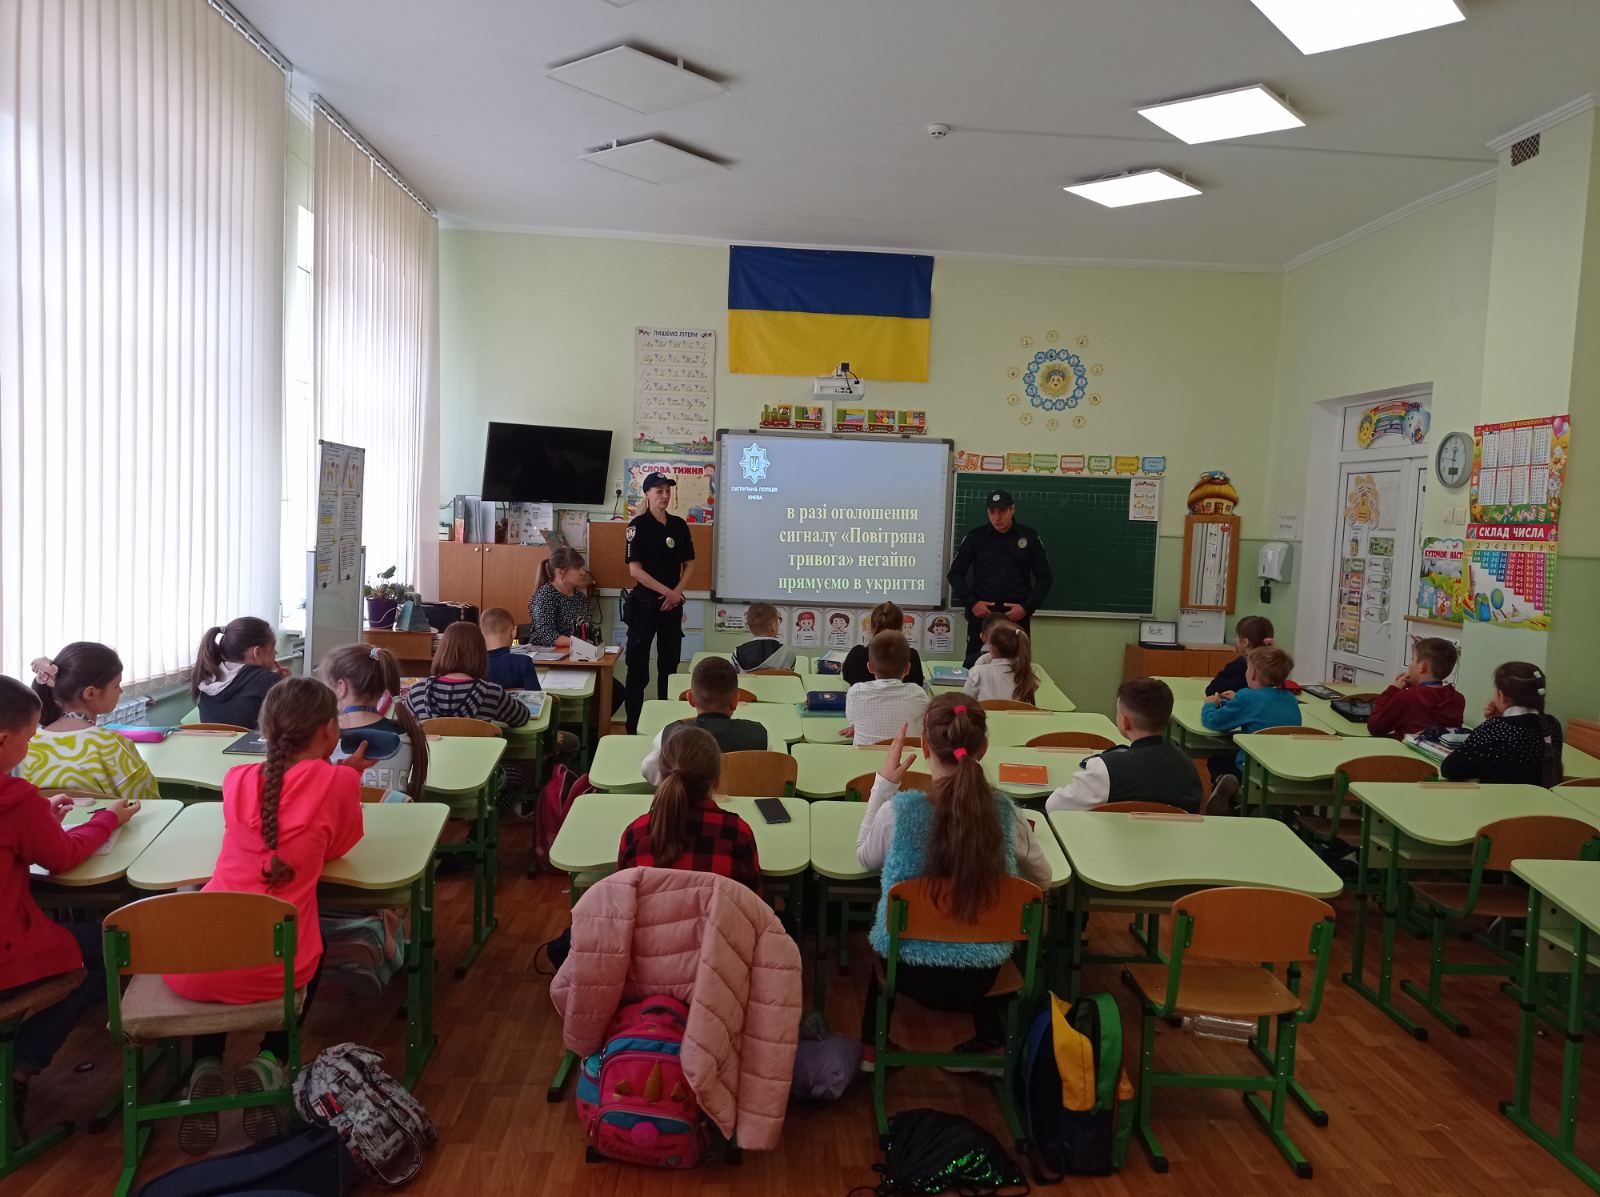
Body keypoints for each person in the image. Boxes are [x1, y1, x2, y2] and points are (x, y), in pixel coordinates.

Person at [164, 678, 365, 1151]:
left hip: (193, 963)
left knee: (224, 951)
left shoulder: (236, 779)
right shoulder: (337, 781)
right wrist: (347, 777)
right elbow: (339, 846)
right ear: (328, 731)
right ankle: (269, 1061)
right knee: (313, 946)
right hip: (277, 967)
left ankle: (205, 1065)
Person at [855, 697, 1052, 1065]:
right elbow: (1042, 879)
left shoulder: (898, 812)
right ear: (984, 748)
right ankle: (992, 1040)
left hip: (906, 969)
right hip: (982, 974)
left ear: (924, 746)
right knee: (979, 913)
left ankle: (870, 1046)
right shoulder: (1006, 814)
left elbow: (865, 856)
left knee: (891, 921)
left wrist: (883, 786)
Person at [0, 676, 138, 1138]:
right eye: (28, 737)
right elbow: (62, 857)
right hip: (5, 958)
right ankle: (20, 1069)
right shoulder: (14, 800)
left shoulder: (22, 804)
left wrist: (42, 818)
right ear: (3, 739)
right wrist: (107, 818)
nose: (31, 745)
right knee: (107, 947)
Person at [619, 726, 761, 895]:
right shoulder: (739, 835)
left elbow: (622, 899)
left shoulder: (634, 835)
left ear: (662, 776)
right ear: (716, 780)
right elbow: (754, 901)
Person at [22, 643, 160, 801]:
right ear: (91, 693)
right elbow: (147, 802)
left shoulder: (32, 744)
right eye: (116, 685)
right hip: (112, 818)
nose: (120, 691)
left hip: (49, 818)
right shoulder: (112, 745)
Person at [1046, 678, 1203, 811]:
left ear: (1125, 722)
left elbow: (1054, 806)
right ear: (1168, 720)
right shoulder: (1187, 765)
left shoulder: (1107, 769)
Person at [623, 473, 696, 733]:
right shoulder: (637, 526)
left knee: (670, 669)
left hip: (672, 608)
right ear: (647, 494)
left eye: (667, 490)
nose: (664, 495)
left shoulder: (679, 525)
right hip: (644, 606)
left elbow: (689, 565)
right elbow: (635, 570)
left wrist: (676, 593)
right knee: (637, 671)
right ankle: (633, 729)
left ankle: (668, 729)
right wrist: (669, 592)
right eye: (658, 491)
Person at [947, 488, 1053, 667]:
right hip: (983, 616)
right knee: (974, 666)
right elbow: (955, 574)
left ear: (1012, 510)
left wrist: (1026, 608)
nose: (997, 517)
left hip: (1016, 616)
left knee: (1018, 668)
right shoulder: (976, 537)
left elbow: (1045, 578)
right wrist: (972, 603)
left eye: (1002, 511)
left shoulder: (1028, 537)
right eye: (992, 511)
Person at [319, 644, 429, 800]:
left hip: (340, 816)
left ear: (341, 687)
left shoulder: (321, 739)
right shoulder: (408, 735)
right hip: (395, 816)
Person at [1200, 645, 1301, 804]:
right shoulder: (1291, 698)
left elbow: (1213, 721)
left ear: (1252, 673)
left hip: (1253, 767)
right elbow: (1261, 708)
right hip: (1284, 767)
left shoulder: (1246, 697)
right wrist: (1236, 701)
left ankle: (1226, 791)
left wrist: (1210, 704)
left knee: (1217, 760)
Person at [641, 657, 767, 785]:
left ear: (690, 698)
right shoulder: (760, 735)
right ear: (735, 701)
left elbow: (649, 772)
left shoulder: (669, 735)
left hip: (687, 798)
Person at [1441, 662, 1564, 786]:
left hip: (1496, 798)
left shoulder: (1493, 729)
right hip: (1542, 797)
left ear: (1502, 696)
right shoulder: (1552, 725)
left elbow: (1449, 768)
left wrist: (1493, 722)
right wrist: (1499, 719)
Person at [403, 623, 531, 727]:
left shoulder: (417, 692)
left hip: (431, 752)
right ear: (481, 654)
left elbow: (406, 728)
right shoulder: (492, 693)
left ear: (442, 651)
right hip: (479, 752)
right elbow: (522, 718)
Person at [191, 617, 285, 728]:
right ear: (258, 653)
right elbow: (291, 723)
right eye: (273, 647)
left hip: (212, 740)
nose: (276, 652)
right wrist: (286, 686)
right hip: (253, 740)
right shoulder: (269, 681)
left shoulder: (209, 678)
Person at [844, 631, 929, 746]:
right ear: (907, 668)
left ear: (870, 667)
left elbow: (854, 722)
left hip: (866, 757)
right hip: (908, 757)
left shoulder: (855, 692)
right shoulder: (919, 694)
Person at [1368, 637, 1465, 739]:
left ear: (1422, 666)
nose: (1410, 665)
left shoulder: (1406, 697)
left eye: (1412, 660)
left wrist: (1393, 689)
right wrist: (1417, 687)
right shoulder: (1458, 699)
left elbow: (1375, 727)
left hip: (1404, 749)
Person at [526, 545, 596, 649]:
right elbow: (546, 635)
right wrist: (582, 644)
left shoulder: (579, 596)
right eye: (577, 568)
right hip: (548, 656)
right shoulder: (546, 595)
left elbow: (586, 628)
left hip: (576, 652)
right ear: (560, 571)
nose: (583, 572)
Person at [842, 602, 925, 687]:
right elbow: (918, 683)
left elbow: (846, 677)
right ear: (901, 628)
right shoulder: (912, 656)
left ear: (872, 627)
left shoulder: (856, 654)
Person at [962, 621, 1039, 705]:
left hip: (986, 714)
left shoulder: (977, 673)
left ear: (993, 647)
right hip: (1018, 714)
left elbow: (965, 703)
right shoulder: (1026, 673)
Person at [1206, 616, 1274, 696]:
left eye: (1237, 636)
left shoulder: (1238, 666)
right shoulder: (1275, 663)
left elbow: (1211, 691)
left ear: (1245, 642)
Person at [480, 607, 541, 691]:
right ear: (514, 631)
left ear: (480, 633)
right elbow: (537, 697)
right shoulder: (523, 662)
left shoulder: (474, 665)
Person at [733, 603, 795, 673]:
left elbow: (733, 677)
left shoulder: (737, 653)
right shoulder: (788, 653)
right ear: (774, 626)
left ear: (749, 627)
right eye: (778, 621)